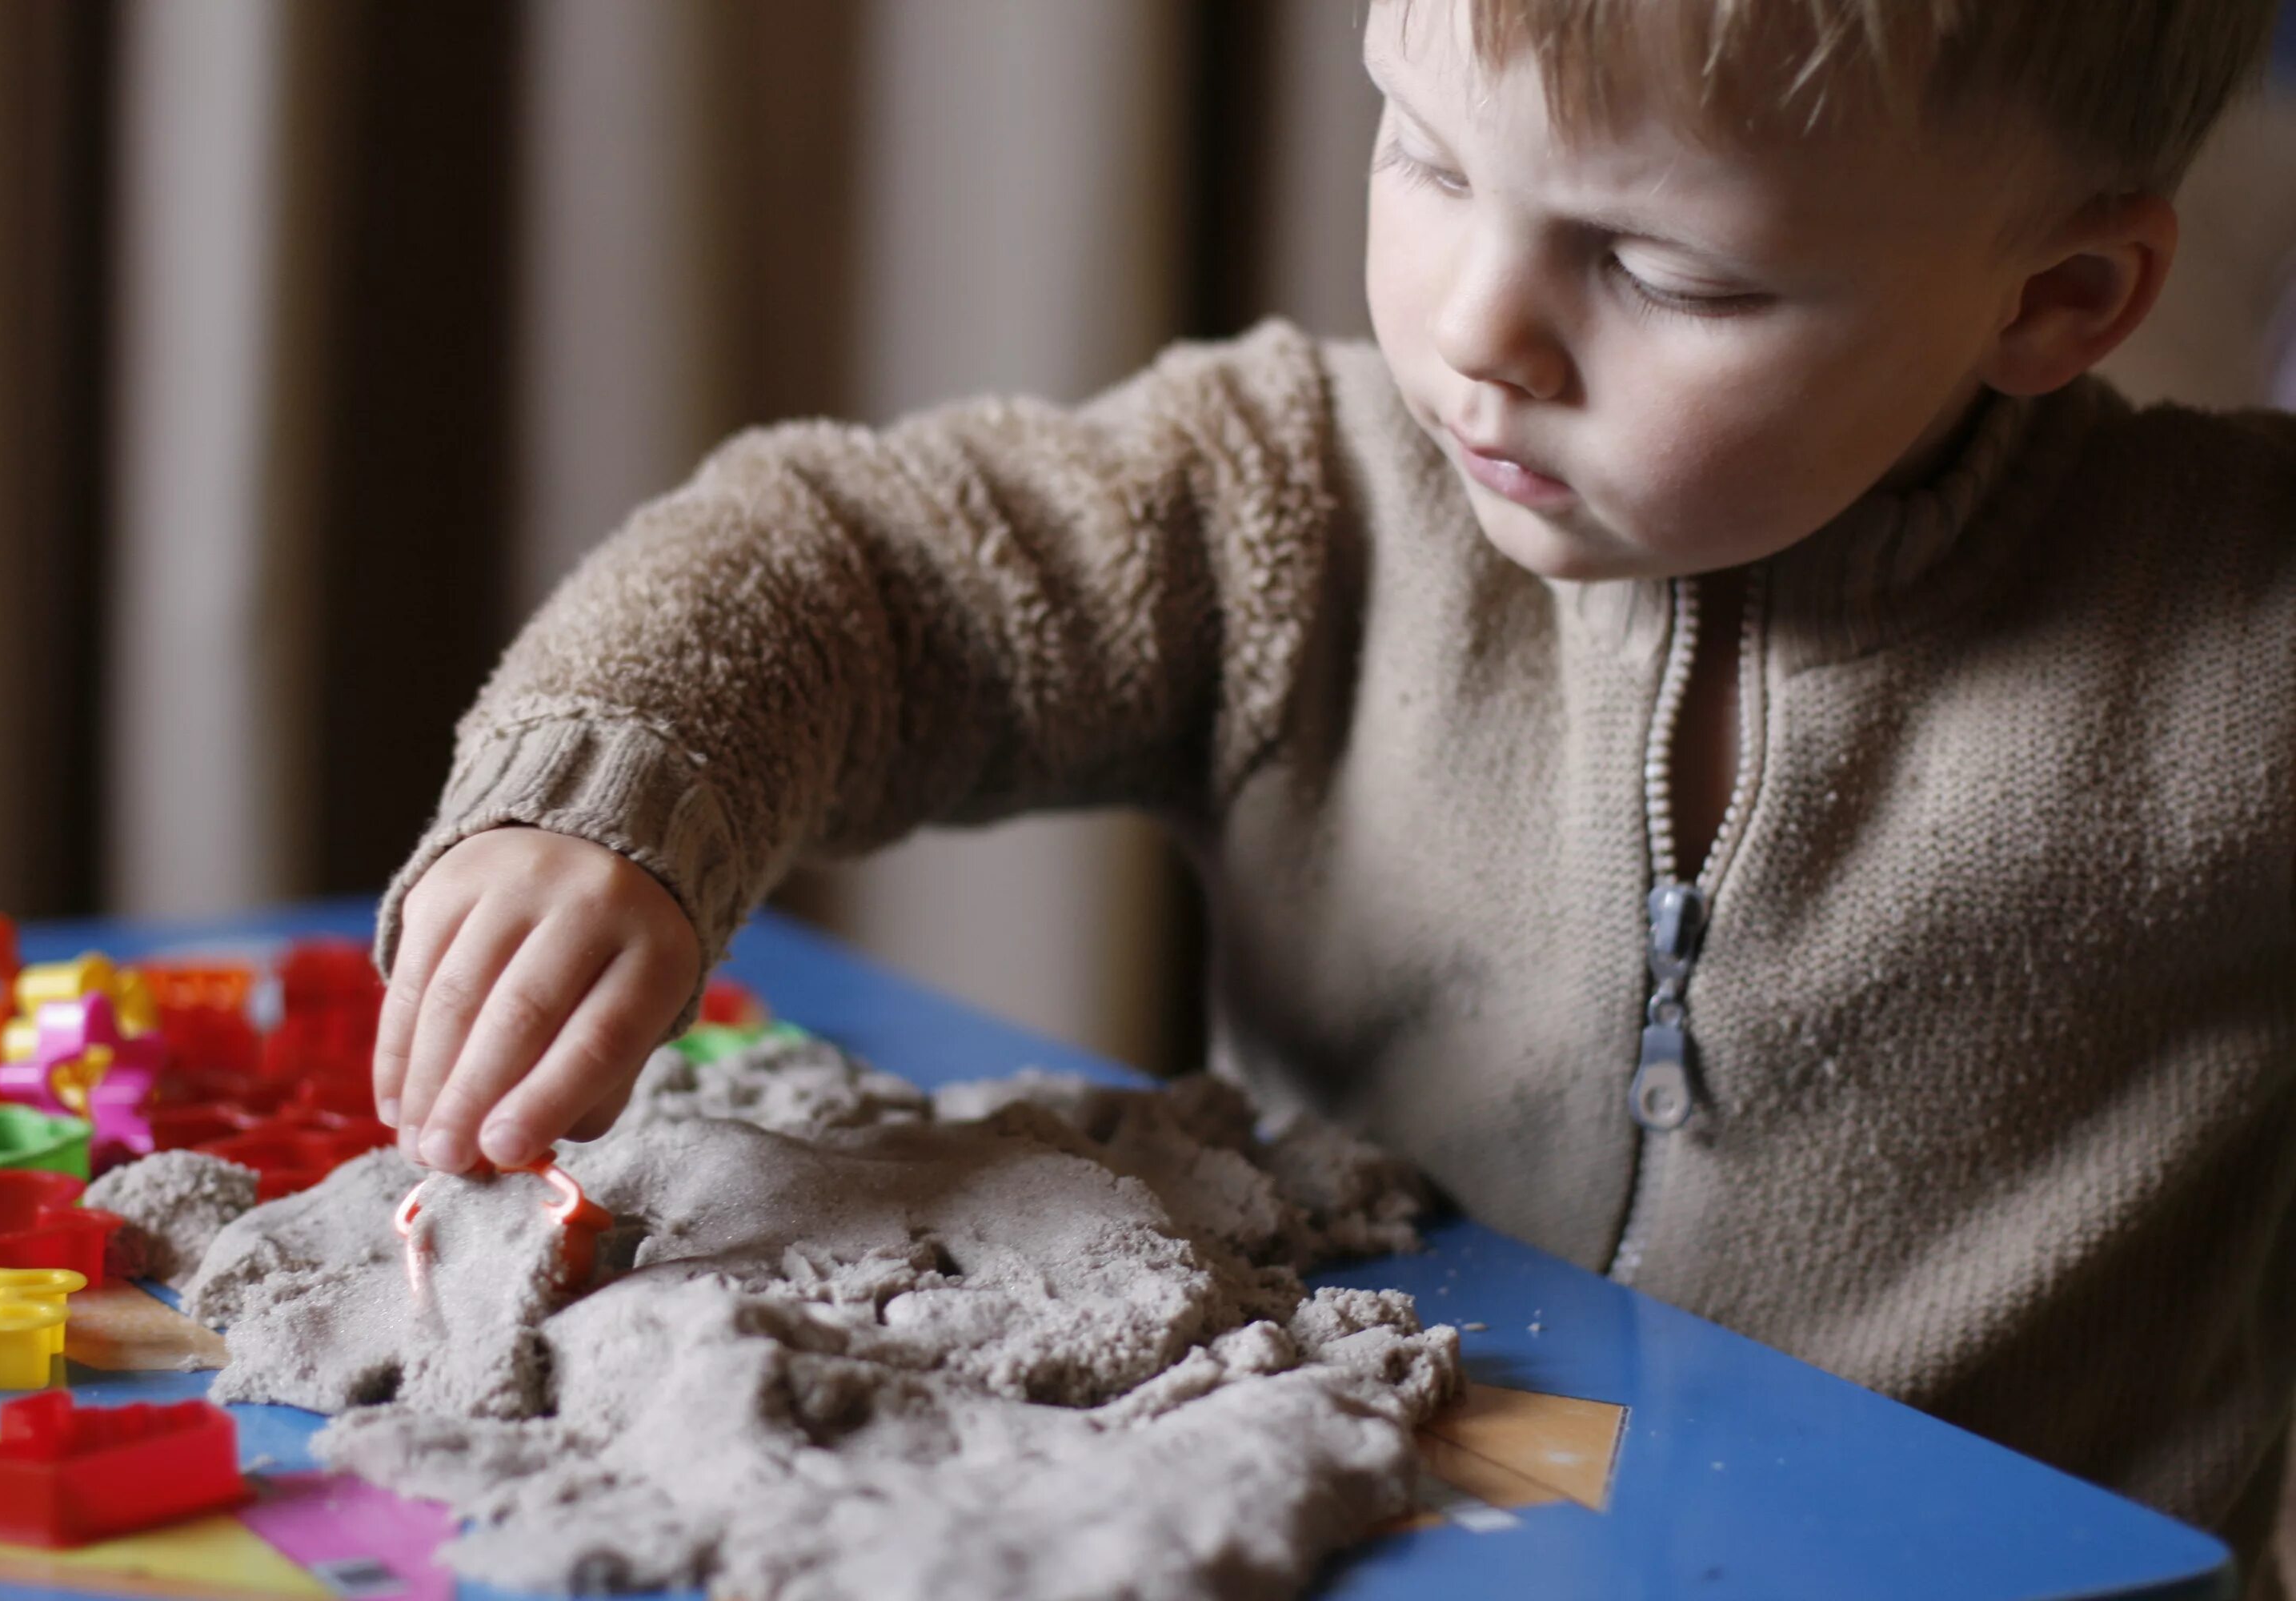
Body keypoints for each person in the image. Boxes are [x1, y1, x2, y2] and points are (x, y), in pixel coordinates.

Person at [370, 0, 2296, 1584]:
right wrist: (611, 785)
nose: (1477, 330)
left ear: (2060, 297)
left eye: (1658, 267)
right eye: (1428, 158)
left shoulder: (2239, 637)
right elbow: (863, 564)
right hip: (1334, 1531)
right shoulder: (1303, 493)